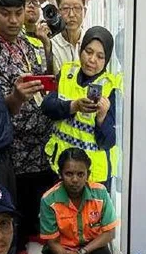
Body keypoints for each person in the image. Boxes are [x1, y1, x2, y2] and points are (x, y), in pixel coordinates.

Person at [0, 0, 57, 254]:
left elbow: (44, 83)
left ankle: (36, 228)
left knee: (39, 187)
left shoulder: (32, 45)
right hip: (12, 142)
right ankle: (20, 242)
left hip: (41, 138)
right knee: (16, 195)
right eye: (5, 13)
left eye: (18, 12)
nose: (13, 20)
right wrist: (15, 97)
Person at [42, 27, 120, 189]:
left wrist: (101, 118)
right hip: (61, 169)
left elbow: (108, 141)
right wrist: (73, 106)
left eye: (100, 56)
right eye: (88, 51)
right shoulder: (66, 72)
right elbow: (47, 107)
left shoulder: (111, 88)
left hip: (93, 177)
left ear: (106, 61)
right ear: (80, 50)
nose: (92, 60)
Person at [40, 148, 118, 254]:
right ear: (60, 174)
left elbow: (109, 233)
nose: (75, 180)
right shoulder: (48, 200)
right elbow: (52, 242)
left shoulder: (100, 193)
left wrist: (81, 252)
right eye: (69, 174)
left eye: (80, 174)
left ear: (88, 174)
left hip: (90, 247)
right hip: (62, 250)